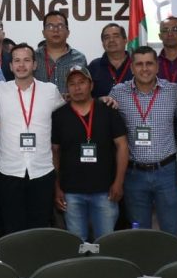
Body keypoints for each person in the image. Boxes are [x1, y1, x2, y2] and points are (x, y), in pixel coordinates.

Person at [109, 46, 177, 236]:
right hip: (134, 175)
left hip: (167, 172)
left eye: (149, 63)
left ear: (157, 66)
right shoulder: (118, 92)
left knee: (171, 230)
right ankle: (145, 266)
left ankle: (173, 266)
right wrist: (101, 100)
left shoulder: (172, 91)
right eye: (139, 64)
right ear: (132, 68)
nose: (145, 68)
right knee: (139, 232)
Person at [0, 43, 64, 234]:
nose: (21, 65)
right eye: (16, 60)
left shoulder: (50, 91)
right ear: (10, 66)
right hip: (9, 170)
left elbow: (63, 118)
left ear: (35, 64)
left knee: (39, 227)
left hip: (41, 170)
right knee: (11, 227)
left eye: (26, 60)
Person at [52, 65, 127, 241]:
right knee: (78, 244)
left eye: (82, 82)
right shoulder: (59, 115)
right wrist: (57, 188)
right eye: (72, 84)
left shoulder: (108, 110)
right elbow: (55, 152)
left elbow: (122, 146)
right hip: (71, 193)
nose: (77, 88)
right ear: (67, 89)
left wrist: (118, 183)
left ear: (91, 85)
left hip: (105, 191)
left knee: (106, 243)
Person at [34, 10, 88, 95]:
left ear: (68, 32)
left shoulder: (79, 58)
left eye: (60, 26)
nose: (55, 30)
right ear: (43, 33)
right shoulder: (33, 57)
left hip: (70, 107)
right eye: (50, 26)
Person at [88, 23, 132, 98]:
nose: (111, 40)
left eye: (116, 36)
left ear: (125, 40)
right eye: (107, 37)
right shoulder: (94, 66)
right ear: (103, 43)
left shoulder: (136, 64)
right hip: (101, 109)